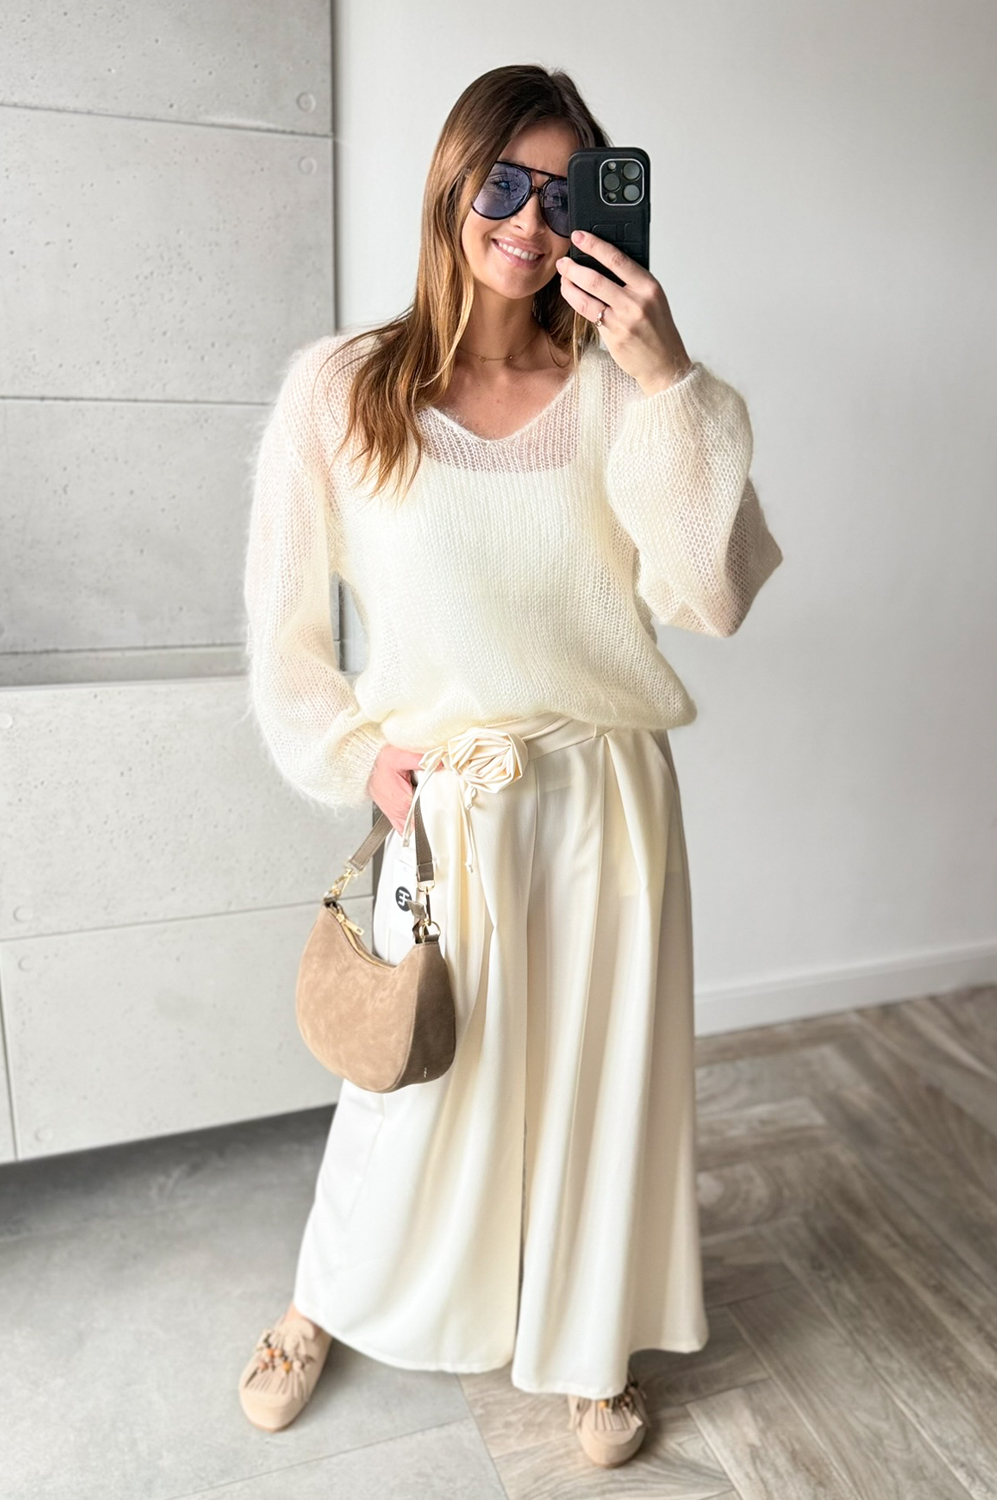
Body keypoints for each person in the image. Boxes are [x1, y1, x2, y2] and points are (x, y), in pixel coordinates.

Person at [237, 62, 783, 1469]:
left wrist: (665, 378)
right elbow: (285, 634)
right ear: (450, 184)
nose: (530, 221)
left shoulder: (620, 394)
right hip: (446, 800)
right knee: (407, 1083)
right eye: (503, 183)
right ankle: (318, 1301)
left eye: (562, 189)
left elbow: (713, 594)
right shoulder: (342, 390)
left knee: (599, 1088)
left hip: (603, 794)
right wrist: (362, 761)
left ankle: (594, 1344)